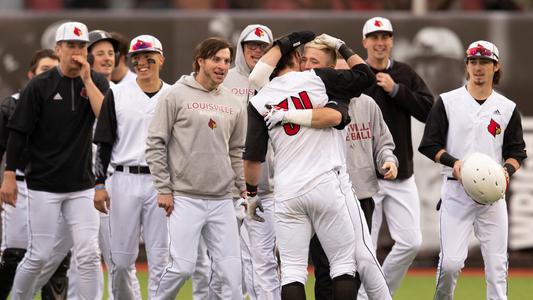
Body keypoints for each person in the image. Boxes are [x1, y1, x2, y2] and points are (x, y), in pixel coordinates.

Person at [245, 31, 391, 300]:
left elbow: (253, 157)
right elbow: (366, 76)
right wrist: (342, 45)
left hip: (288, 190)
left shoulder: (259, 98)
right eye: (306, 58)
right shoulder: (319, 80)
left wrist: (251, 194)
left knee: (292, 272)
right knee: (344, 265)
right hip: (326, 182)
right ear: (298, 59)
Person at [0, 21, 108, 300]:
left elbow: (105, 119)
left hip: (81, 184)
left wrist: (86, 79)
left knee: (88, 253)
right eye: (71, 45)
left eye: (82, 46)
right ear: (58, 49)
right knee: (39, 255)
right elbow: (18, 133)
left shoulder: (95, 81)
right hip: (44, 183)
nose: (77, 51)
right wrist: (9, 175)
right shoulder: (38, 85)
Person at [418, 40, 527, 300]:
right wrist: (453, 163)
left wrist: (506, 171)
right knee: (450, 264)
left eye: (485, 62)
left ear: (495, 66)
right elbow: (429, 145)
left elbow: (516, 153)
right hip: (457, 191)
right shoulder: (446, 102)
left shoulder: (507, 108)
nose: (478, 68)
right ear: (466, 65)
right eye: (474, 62)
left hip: (492, 197)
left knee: (497, 267)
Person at [296, 38, 398, 300]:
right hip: (325, 196)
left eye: (347, 74)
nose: (343, 79)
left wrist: (388, 161)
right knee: (325, 269)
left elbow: (384, 144)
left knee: (359, 266)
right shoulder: (316, 107)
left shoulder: (367, 104)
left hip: (362, 195)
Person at [145, 37, 247, 299]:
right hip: (185, 197)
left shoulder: (234, 103)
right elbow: (156, 143)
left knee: (233, 278)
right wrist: (163, 188)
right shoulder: (175, 94)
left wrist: (242, 187)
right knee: (182, 267)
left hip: (223, 199)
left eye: (226, 61)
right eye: (216, 59)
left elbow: (236, 151)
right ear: (200, 60)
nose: (222, 66)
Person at [357, 16, 433, 298]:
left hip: (402, 174)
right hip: (366, 177)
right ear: (365, 42)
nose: (380, 42)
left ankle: (379, 293)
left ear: (391, 41)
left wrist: (396, 90)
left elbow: (429, 110)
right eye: (374, 37)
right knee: (366, 248)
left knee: (411, 242)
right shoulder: (357, 75)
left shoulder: (404, 74)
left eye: (385, 37)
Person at [93, 34, 170, 299]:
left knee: (161, 259)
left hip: (160, 181)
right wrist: (100, 183)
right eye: (136, 58)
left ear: (161, 58)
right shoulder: (117, 93)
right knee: (121, 260)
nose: (142, 62)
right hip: (123, 178)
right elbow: (103, 141)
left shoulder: (174, 95)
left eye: (148, 56)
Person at [0, 48, 72, 300]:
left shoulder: (71, 104)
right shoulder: (12, 104)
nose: (50, 76)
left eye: (55, 70)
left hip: (58, 188)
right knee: (13, 256)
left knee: (57, 259)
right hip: (19, 187)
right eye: (44, 70)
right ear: (31, 74)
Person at [224, 23, 280, 300]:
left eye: (262, 46)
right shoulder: (225, 79)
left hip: (266, 187)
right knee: (225, 262)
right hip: (227, 188)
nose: (256, 51)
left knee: (264, 259)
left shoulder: (280, 82)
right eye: (251, 46)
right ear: (241, 49)